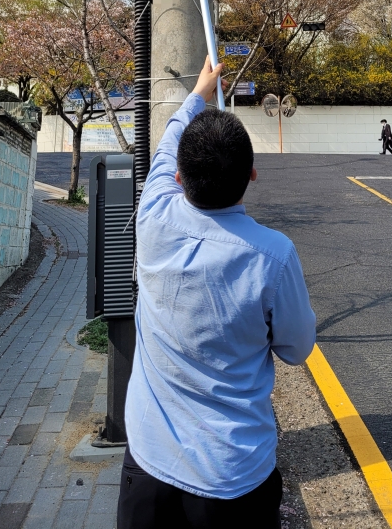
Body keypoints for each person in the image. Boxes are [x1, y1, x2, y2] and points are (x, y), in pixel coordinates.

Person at [117, 57, 316, 529]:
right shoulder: (275, 256)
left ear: (179, 178)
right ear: (252, 175)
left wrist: (199, 92)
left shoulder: (153, 216)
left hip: (148, 463)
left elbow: (168, 142)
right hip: (234, 476)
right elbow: (297, 348)